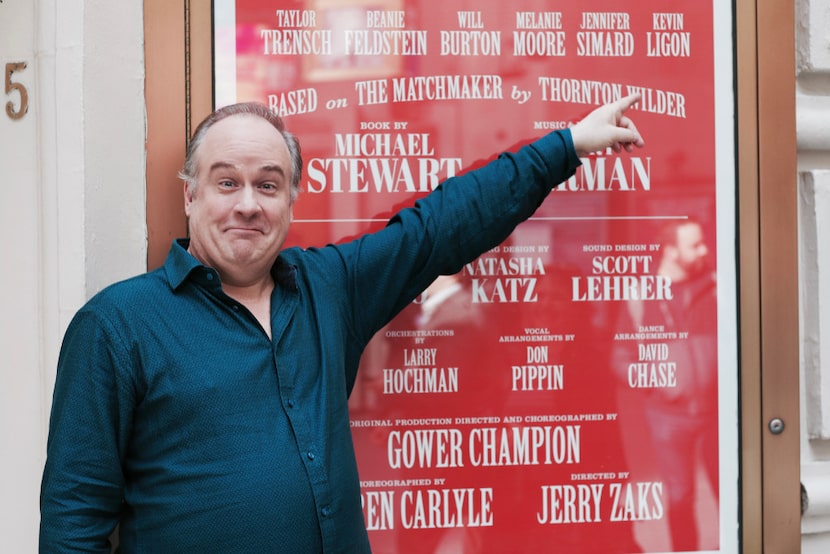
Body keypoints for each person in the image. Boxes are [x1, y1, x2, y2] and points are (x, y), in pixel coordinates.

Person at [39, 95, 644, 553]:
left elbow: (441, 225)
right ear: (191, 196)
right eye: (227, 182)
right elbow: (75, 516)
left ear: (292, 200)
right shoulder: (116, 326)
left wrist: (566, 146)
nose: (248, 203)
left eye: (267, 185)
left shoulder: (328, 288)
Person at [612, 217, 718, 551]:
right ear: (671, 252)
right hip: (668, 418)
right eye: (695, 245)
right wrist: (654, 382)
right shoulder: (641, 298)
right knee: (680, 497)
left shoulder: (716, 287)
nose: (704, 250)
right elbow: (619, 358)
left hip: (717, 412)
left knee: (731, 490)